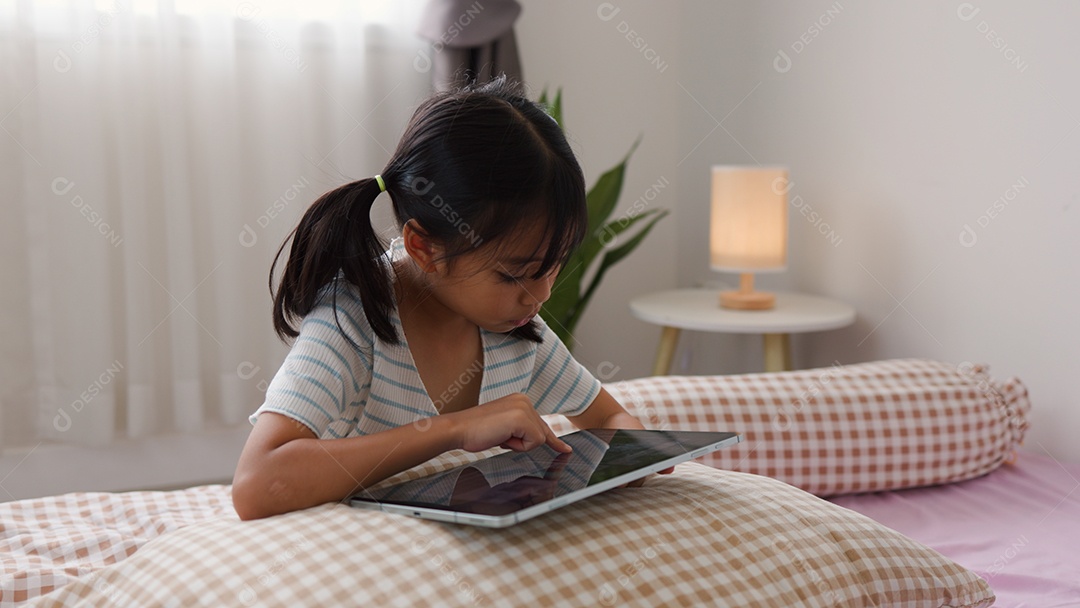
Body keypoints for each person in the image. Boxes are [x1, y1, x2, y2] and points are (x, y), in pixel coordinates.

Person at [232, 77, 661, 521]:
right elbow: (256, 484)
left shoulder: (514, 330)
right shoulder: (353, 320)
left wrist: (630, 451)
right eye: (513, 275)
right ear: (424, 248)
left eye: (553, 266)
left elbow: (609, 419)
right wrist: (454, 429)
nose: (541, 294)